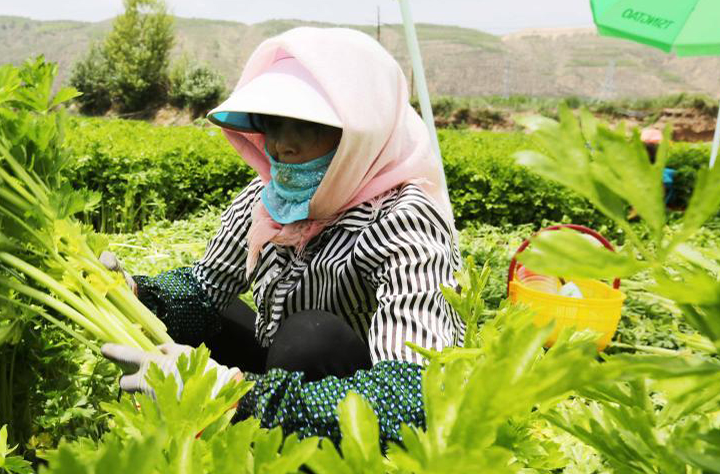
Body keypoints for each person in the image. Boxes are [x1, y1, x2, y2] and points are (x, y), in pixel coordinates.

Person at [100, 27, 464, 445]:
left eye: (308, 125)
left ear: (363, 132)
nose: (281, 145)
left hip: (356, 401)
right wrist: (136, 294)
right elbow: (206, 286)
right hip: (280, 374)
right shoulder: (269, 197)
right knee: (213, 316)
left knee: (309, 336)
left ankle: (294, 462)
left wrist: (235, 397)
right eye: (272, 124)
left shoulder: (404, 222)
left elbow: (414, 397)